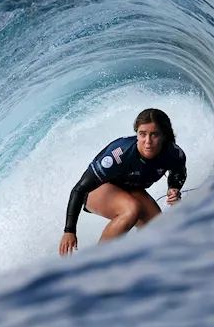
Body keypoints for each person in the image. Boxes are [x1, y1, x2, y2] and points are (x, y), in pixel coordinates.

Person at [60, 107, 187, 255]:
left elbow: (178, 174)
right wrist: (69, 231)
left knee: (160, 228)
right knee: (132, 209)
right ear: (137, 134)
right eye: (142, 134)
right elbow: (79, 189)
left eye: (154, 135)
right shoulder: (120, 154)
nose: (148, 141)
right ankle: (97, 262)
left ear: (164, 135)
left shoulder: (174, 154)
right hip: (97, 190)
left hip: (131, 190)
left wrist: (174, 188)